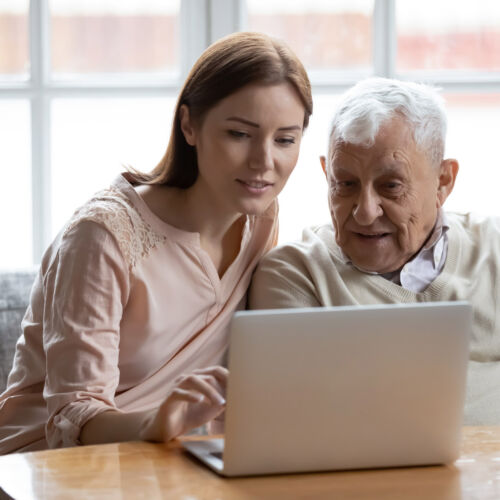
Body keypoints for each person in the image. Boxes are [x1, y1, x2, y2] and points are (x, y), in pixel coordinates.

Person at [0, 32, 312, 454]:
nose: (264, 161)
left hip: (169, 459)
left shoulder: (260, 219)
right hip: (49, 466)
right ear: (189, 125)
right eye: (240, 134)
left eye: (285, 140)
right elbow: (72, 416)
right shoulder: (101, 238)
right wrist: (156, 422)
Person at [249, 77, 500, 425]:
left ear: (443, 181)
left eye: (391, 186)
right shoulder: (295, 274)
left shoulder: (494, 248)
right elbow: (300, 422)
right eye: (346, 184)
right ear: (327, 175)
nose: (365, 212)